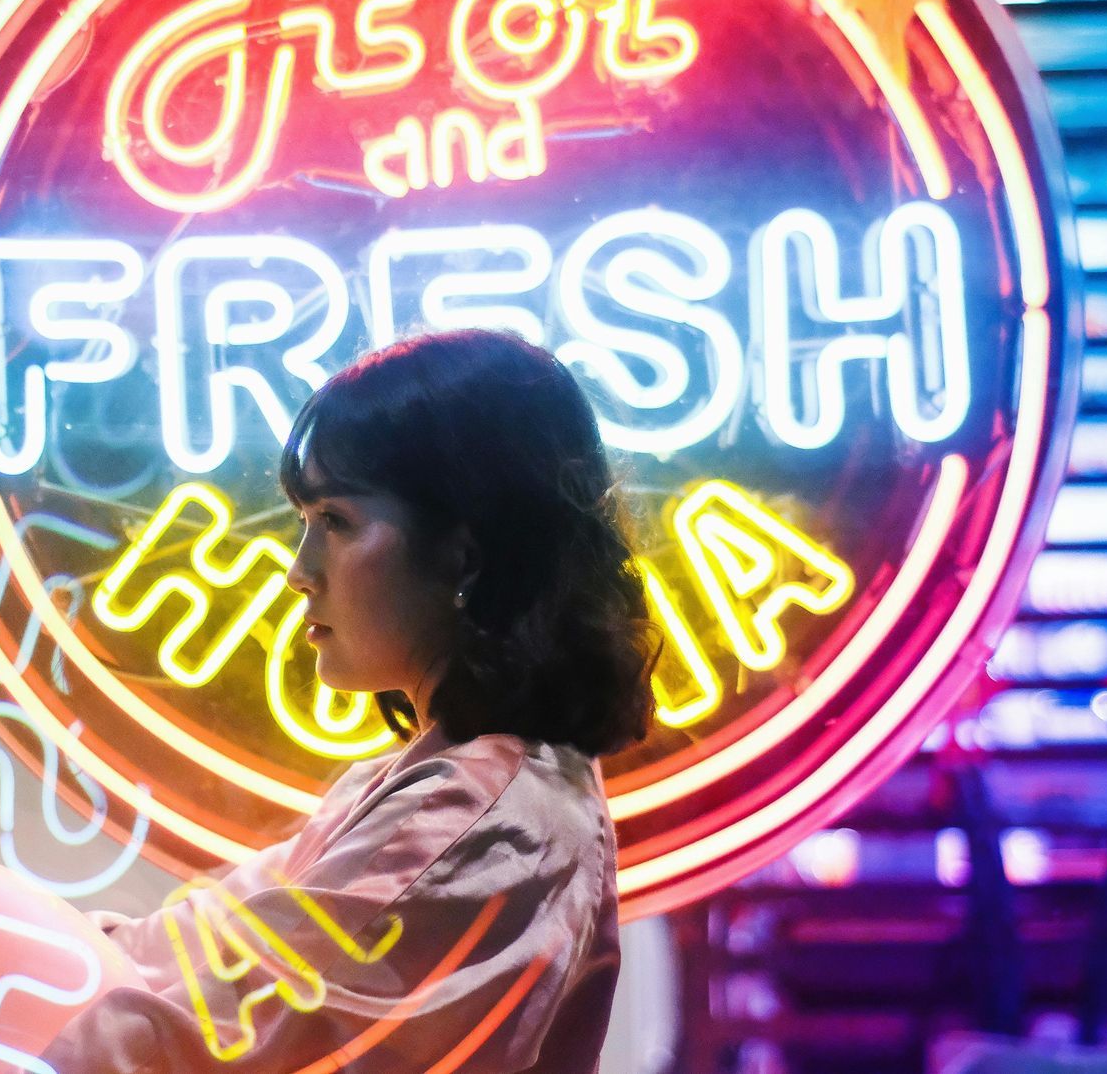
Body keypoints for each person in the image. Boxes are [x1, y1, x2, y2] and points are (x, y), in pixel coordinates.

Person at [44, 328, 660, 1074]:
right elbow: (202, 943)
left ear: (463, 553)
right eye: (306, 523)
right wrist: (38, 950)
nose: (300, 570)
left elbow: (185, 1041)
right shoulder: (445, 788)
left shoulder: (476, 817)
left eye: (335, 522)